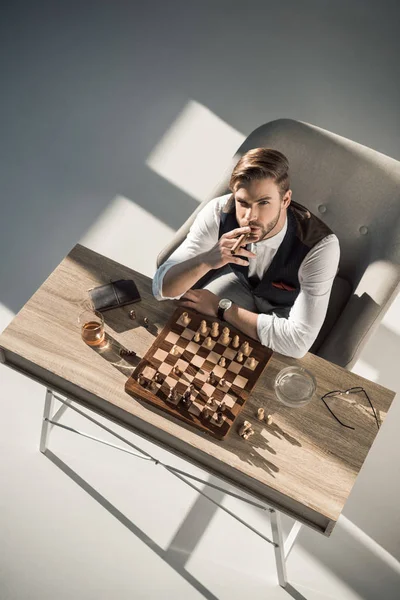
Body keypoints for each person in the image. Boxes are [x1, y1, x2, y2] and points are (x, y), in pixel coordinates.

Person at [152, 148, 340, 358]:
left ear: (285, 200)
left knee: (265, 363)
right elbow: (161, 289)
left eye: (264, 203)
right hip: (241, 285)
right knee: (193, 336)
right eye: (243, 203)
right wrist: (206, 260)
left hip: (286, 306)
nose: (251, 217)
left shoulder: (320, 246)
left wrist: (221, 307)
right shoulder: (218, 212)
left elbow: (298, 343)